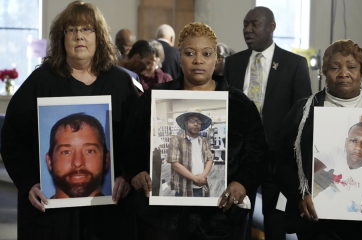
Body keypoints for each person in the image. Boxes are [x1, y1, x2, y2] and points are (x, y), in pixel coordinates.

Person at [0, 1, 139, 239]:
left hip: (107, 216)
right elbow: (12, 138)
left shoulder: (120, 83)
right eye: (71, 30)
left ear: (99, 36)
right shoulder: (41, 81)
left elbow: (136, 138)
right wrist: (29, 183)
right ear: (61, 38)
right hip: (51, 219)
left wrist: (126, 175)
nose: (79, 36)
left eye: (86, 29)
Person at [122, 22, 268, 240]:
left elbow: (258, 155)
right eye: (190, 53)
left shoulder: (239, 105)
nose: (198, 60)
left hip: (220, 220)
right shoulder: (153, 99)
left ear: (216, 58)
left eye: (206, 54)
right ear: (180, 56)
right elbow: (130, 145)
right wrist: (136, 172)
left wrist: (243, 182)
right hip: (162, 220)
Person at [276, 39, 362, 239]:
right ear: (324, 72)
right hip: (316, 223)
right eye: (335, 67)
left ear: (361, 71)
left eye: (351, 67)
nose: (344, 73)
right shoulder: (303, 111)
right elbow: (280, 160)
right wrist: (300, 194)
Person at [223, 6, 312, 239]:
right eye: (245, 24)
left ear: (271, 27)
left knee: (275, 222)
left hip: (277, 159)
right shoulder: (232, 63)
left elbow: (303, 117)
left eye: (254, 24)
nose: (248, 30)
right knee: (239, 218)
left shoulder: (294, 64)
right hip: (240, 159)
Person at [313, 122, 362, 214]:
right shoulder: (337, 152)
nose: (358, 148)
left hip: (354, 204)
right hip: (333, 190)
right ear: (346, 142)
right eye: (353, 141)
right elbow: (309, 166)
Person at [45, 113, 111, 199]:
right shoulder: (34, 212)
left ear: (106, 159)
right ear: (49, 161)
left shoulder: (122, 211)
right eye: (66, 152)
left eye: (89, 151)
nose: (77, 163)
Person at [168, 110, 213, 197]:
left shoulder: (203, 141)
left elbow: (209, 159)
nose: (196, 124)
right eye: (192, 121)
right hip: (184, 189)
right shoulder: (176, 140)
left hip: (203, 187)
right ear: (185, 122)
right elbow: (175, 164)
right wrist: (195, 179)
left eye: (198, 121)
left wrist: (203, 176)